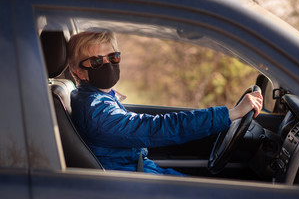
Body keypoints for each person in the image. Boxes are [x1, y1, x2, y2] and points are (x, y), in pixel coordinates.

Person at [67, 29, 263, 176]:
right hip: (128, 180)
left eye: (113, 57)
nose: (108, 65)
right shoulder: (95, 110)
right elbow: (153, 129)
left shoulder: (98, 97)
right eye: (96, 62)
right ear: (78, 71)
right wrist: (229, 114)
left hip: (136, 171)